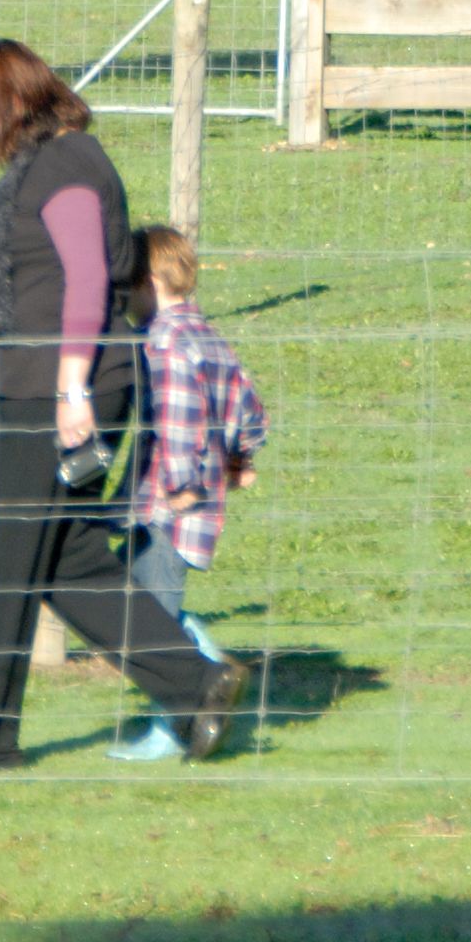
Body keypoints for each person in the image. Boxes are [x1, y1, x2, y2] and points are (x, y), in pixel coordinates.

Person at [0, 40, 247, 770]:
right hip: (55, 385)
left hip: (56, 391)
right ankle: (196, 681)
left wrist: (71, 386)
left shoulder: (67, 165)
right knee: (65, 560)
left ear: (9, 103)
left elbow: (83, 281)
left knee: (2, 562)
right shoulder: (56, 164)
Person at [106, 227, 268, 763]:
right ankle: (204, 676)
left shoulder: (166, 343)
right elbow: (250, 410)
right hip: (199, 504)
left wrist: (176, 489)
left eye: (127, 285)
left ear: (150, 282)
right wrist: (239, 460)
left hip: (167, 507)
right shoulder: (209, 336)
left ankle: (180, 716)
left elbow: (179, 426)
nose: (123, 298)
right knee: (144, 606)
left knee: (153, 619)